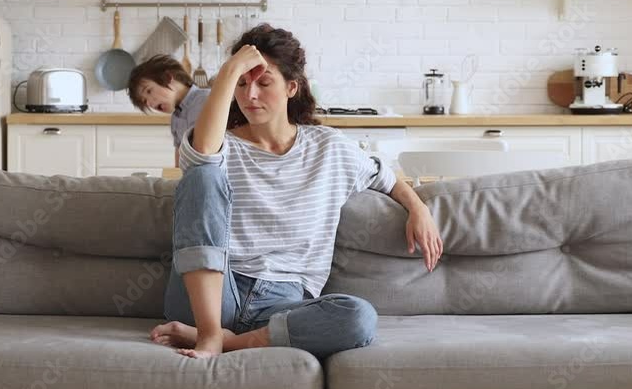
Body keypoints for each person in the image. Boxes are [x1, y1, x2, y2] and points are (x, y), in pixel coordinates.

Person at [150, 24, 444, 360]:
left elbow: (387, 178)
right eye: (241, 84)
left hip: (282, 303)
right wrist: (230, 69)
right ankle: (209, 330)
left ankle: (222, 341)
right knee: (201, 175)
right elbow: (202, 153)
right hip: (213, 290)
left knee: (358, 317)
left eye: (264, 82)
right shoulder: (220, 144)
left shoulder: (328, 148)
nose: (250, 95)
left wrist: (419, 209)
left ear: (292, 87)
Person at [126, 55, 211, 167]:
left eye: (149, 91)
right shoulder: (175, 119)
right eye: (145, 101)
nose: (150, 103)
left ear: (167, 77)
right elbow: (179, 156)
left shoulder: (206, 99)